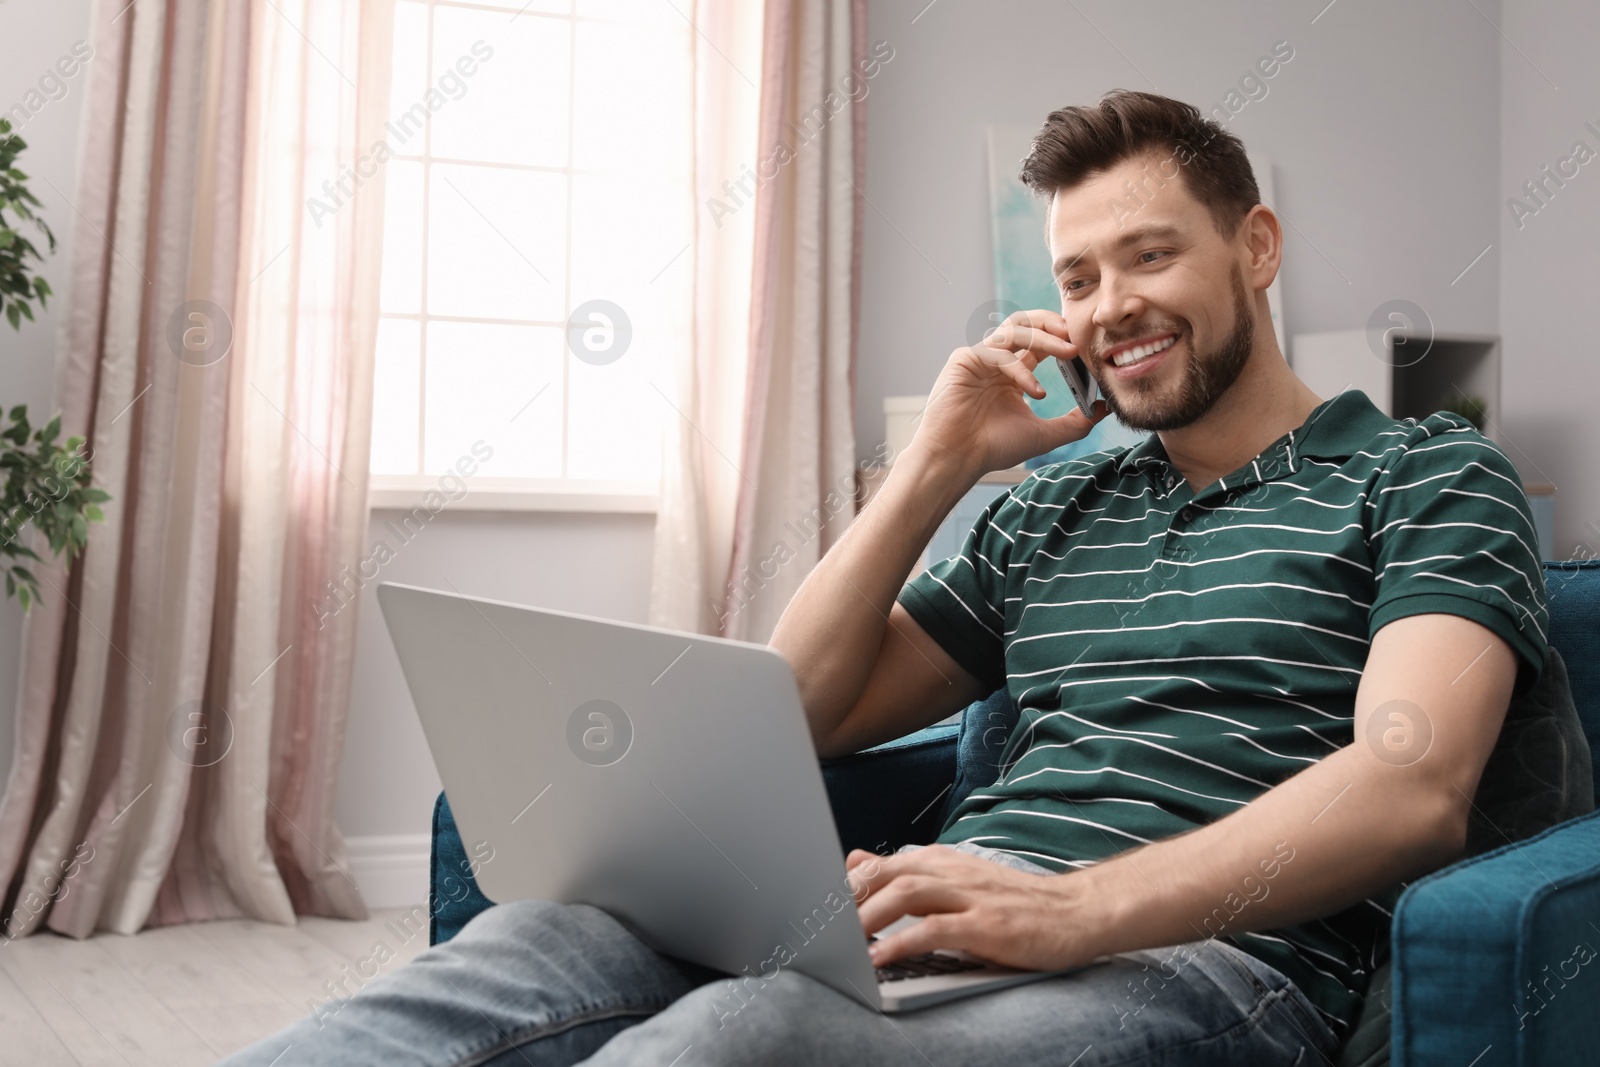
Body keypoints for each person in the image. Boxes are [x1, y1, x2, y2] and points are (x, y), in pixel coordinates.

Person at [221, 88, 1547, 1066]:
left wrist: (1072, 910)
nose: (1110, 307)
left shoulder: (1423, 475)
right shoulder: (1057, 505)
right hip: (937, 920)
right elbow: (798, 711)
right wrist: (933, 468)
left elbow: (1411, 785)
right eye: (1077, 276)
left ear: (1254, 247)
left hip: (1210, 973)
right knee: (515, 957)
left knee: (736, 1042)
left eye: (1151, 255)